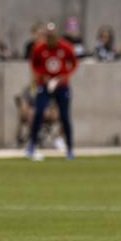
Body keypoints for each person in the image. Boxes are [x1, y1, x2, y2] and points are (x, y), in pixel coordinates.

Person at [27, 23, 78, 161]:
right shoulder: (39, 49)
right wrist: (42, 76)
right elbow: (34, 64)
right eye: (48, 36)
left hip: (61, 85)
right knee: (39, 112)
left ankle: (70, 148)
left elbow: (74, 63)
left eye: (52, 36)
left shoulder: (65, 47)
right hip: (45, 84)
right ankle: (32, 145)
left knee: (65, 116)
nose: (50, 39)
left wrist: (64, 76)